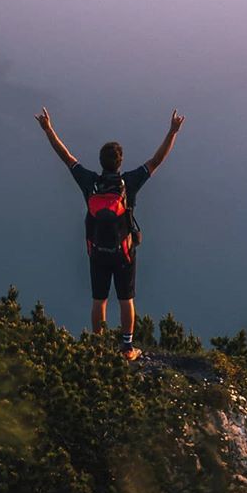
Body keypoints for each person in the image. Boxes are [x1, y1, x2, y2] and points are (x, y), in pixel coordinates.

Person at [35, 107, 185, 361]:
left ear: (101, 162)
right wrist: (172, 132)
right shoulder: (129, 183)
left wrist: (48, 129)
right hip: (123, 252)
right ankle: (127, 348)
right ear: (120, 162)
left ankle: (98, 347)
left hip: (97, 252)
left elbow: (66, 157)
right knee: (126, 298)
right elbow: (156, 161)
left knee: (99, 299)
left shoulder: (89, 182)